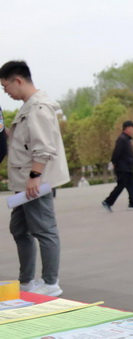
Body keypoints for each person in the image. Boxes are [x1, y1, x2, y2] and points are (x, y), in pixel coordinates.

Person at [0, 61, 70, 297]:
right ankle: (26, 281)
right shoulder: (29, 107)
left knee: (44, 230)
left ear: (17, 80)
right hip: (24, 183)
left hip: (33, 183)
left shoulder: (38, 107)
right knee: (19, 229)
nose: (5, 91)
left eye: (5, 86)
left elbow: (43, 147)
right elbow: (28, 140)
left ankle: (50, 283)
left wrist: (35, 176)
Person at [100, 120, 133, 211]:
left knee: (131, 185)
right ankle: (108, 201)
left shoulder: (127, 139)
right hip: (123, 168)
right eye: (132, 128)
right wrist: (114, 163)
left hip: (128, 167)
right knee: (121, 185)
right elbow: (116, 153)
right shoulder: (122, 139)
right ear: (127, 128)